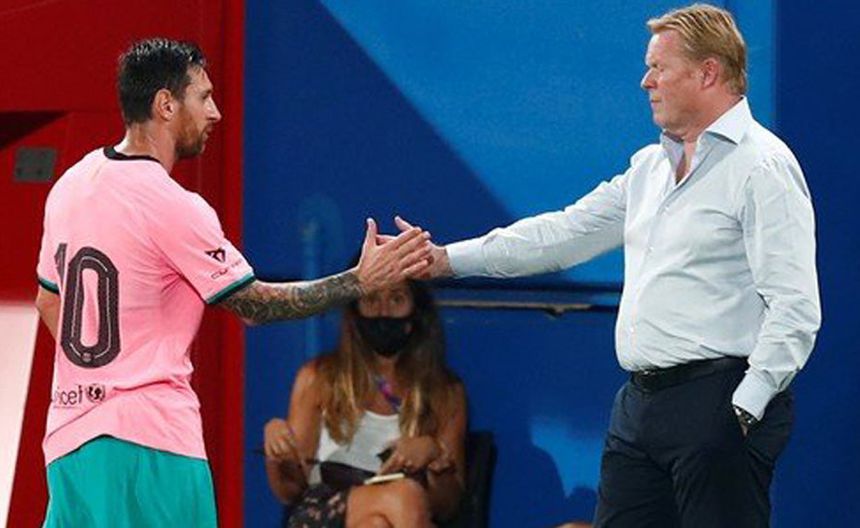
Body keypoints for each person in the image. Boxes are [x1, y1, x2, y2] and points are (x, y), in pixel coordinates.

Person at [393, 4, 820, 527]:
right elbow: (561, 234)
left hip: (720, 401)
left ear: (708, 72)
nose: (646, 81)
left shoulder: (762, 166)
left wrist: (744, 407)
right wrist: (445, 260)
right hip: (640, 407)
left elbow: (795, 307)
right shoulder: (649, 169)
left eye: (659, 67)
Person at [34, 38, 431, 527]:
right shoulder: (173, 204)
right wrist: (359, 280)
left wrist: (101, 379)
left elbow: (48, 302)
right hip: (149, 447)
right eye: (203, 96)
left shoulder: (71, 185)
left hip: (69, 444)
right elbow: (254, 305)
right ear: (166, 104)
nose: (215, 112)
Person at [263, 277, 466, 528]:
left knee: (376, 524)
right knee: (405, 495)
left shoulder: (445, 392)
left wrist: (434, 455)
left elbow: (447, 507)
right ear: (354, 309)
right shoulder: (318, 378)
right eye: (371, 299)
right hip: (323, 509)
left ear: (417, 310)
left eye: (397, 299)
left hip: (399, 515)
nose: (383, 311)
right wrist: (277, 455)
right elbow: (289, 492)